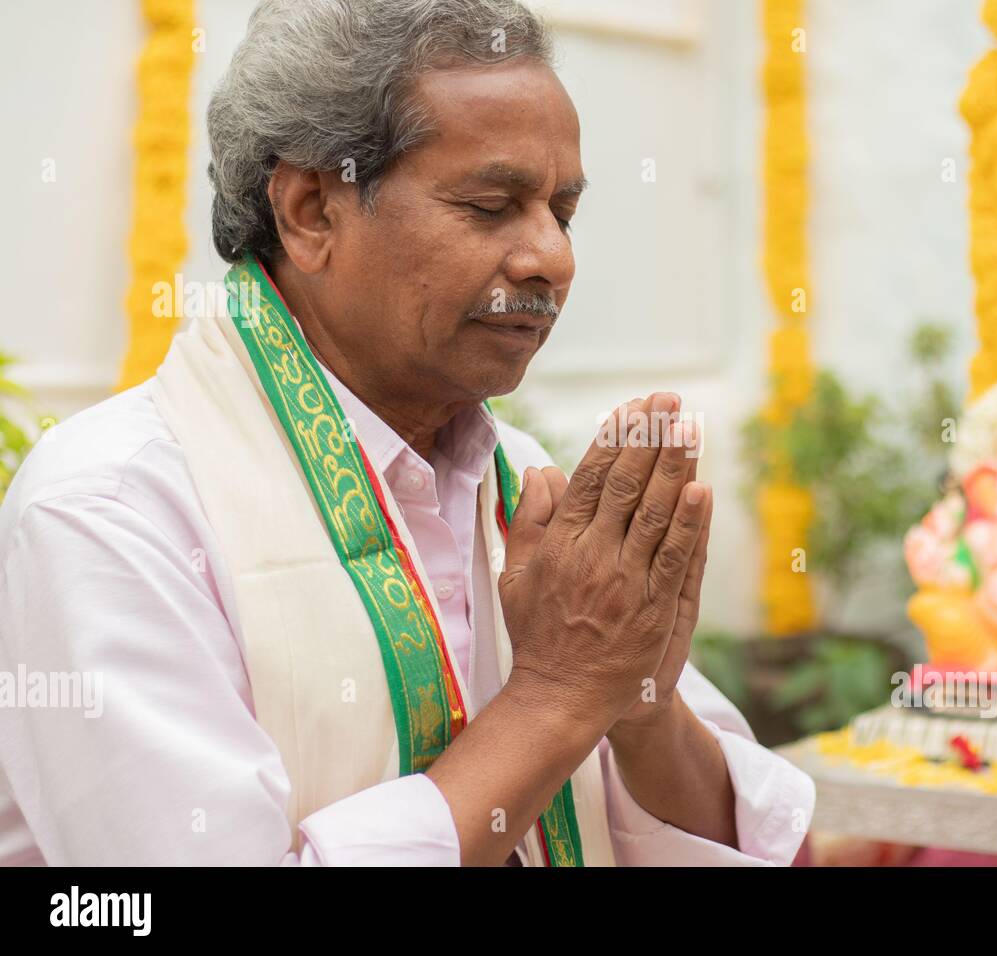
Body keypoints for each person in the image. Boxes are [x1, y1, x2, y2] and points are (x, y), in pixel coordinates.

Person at [0, 0, 814, 866]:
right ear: (311, 211)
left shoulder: (525, 485)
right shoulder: (112, 510)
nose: (552, 257)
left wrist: (638, 703)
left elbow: (766, 847)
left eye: (563, 212)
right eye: (492, 205)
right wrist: (560, 694)